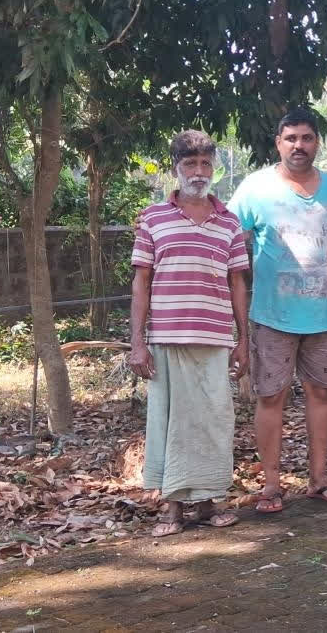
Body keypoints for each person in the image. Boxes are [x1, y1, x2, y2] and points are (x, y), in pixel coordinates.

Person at [228, 108, 327, 514]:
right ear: (278, 143)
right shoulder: (255, 188)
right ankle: (272, 485)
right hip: (272, 316)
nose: (299, 145)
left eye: (307, 138)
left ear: (317, 142)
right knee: (271, 396)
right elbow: (229, 239)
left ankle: (319, 478)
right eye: (291, 138)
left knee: (321, 394)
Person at [129, 129, 250, 536]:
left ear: (213, 167)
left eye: (204, 164)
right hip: (166, 337)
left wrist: (243, 339)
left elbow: (238, 284)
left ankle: (213, 499)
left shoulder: (229, 222)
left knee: (215, 418)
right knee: (170, 421)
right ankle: (172, 509)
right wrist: (137, 344)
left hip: (215, 338)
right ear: (176, 168)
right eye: (189, 164)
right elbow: (141, 282)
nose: (198, 172)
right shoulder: (153, 217)